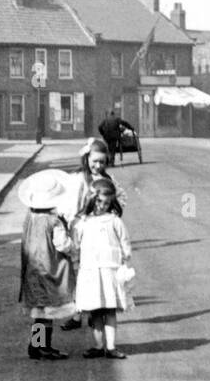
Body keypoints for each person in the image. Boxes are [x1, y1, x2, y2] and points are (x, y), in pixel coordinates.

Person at [60, 138, 127, 331]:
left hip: (102, 236)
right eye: (94, 161)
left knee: (97, 272)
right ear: (86, 158)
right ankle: (78, 313)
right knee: (80, 272)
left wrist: (112, 212)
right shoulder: (79, 179)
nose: (97, 165)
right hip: (83, 232)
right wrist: (78, 220)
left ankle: (95, 311)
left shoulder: (108, 180)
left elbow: (120, 196)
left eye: (102, 162)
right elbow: (69, 206)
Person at [17, 170, 76, 361]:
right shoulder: (54, 221)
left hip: (33, 270)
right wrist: (73, 245)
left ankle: (36, 345)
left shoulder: (31, 218)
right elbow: (62, 245)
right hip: (50, 270)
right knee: (47, 312)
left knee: (40, 312)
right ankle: (43, 346)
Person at [73, 178, 133, 359]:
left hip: (110, 272)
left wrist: (125, 258)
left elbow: (125, 242)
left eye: (107, 203)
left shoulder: (114, 221)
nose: (102, 206)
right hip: (91, 272)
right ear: (92, 199)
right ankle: (99, 346)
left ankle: (111, 346)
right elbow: (75, 243)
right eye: (99, 201)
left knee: (110, 310)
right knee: (96, 311)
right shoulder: (84, 222)